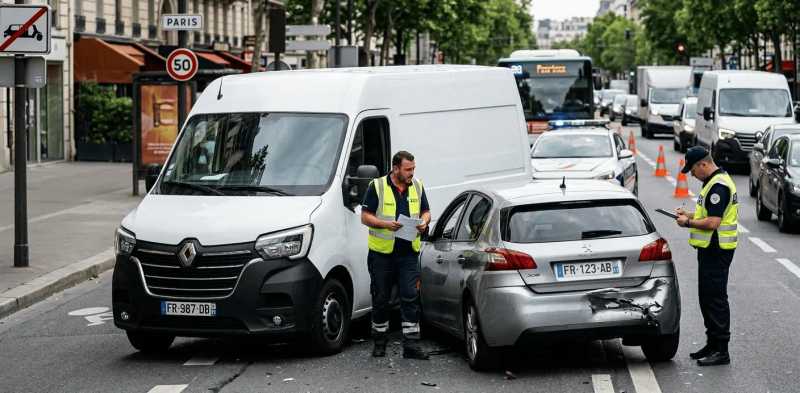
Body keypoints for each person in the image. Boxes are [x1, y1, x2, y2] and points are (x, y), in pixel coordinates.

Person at [361, 151, 431, 360]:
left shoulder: (417, 186)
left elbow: (426, 211)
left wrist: (424, 222)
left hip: (408, 253)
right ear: (395, 168)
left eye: (413, 169)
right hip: (382, 255)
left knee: (410, 296)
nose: (411, 173)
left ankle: (411, 345)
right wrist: (386, 224)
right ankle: (380, 342)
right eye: (408, 169)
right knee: (381, 298)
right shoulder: (378, 186)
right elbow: (365, 217)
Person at [675, 146, 738, 366]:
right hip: (710, 250)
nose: (691, 175)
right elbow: (709, 214)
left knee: (715, 299)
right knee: (706, 297)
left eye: (692, 170)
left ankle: (721, 350)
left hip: (717, 250)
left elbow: (713, 222)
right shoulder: (713, 181)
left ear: (703, 164)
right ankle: (712, 344)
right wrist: (690, 215)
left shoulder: (718, 186)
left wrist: (688, 223)